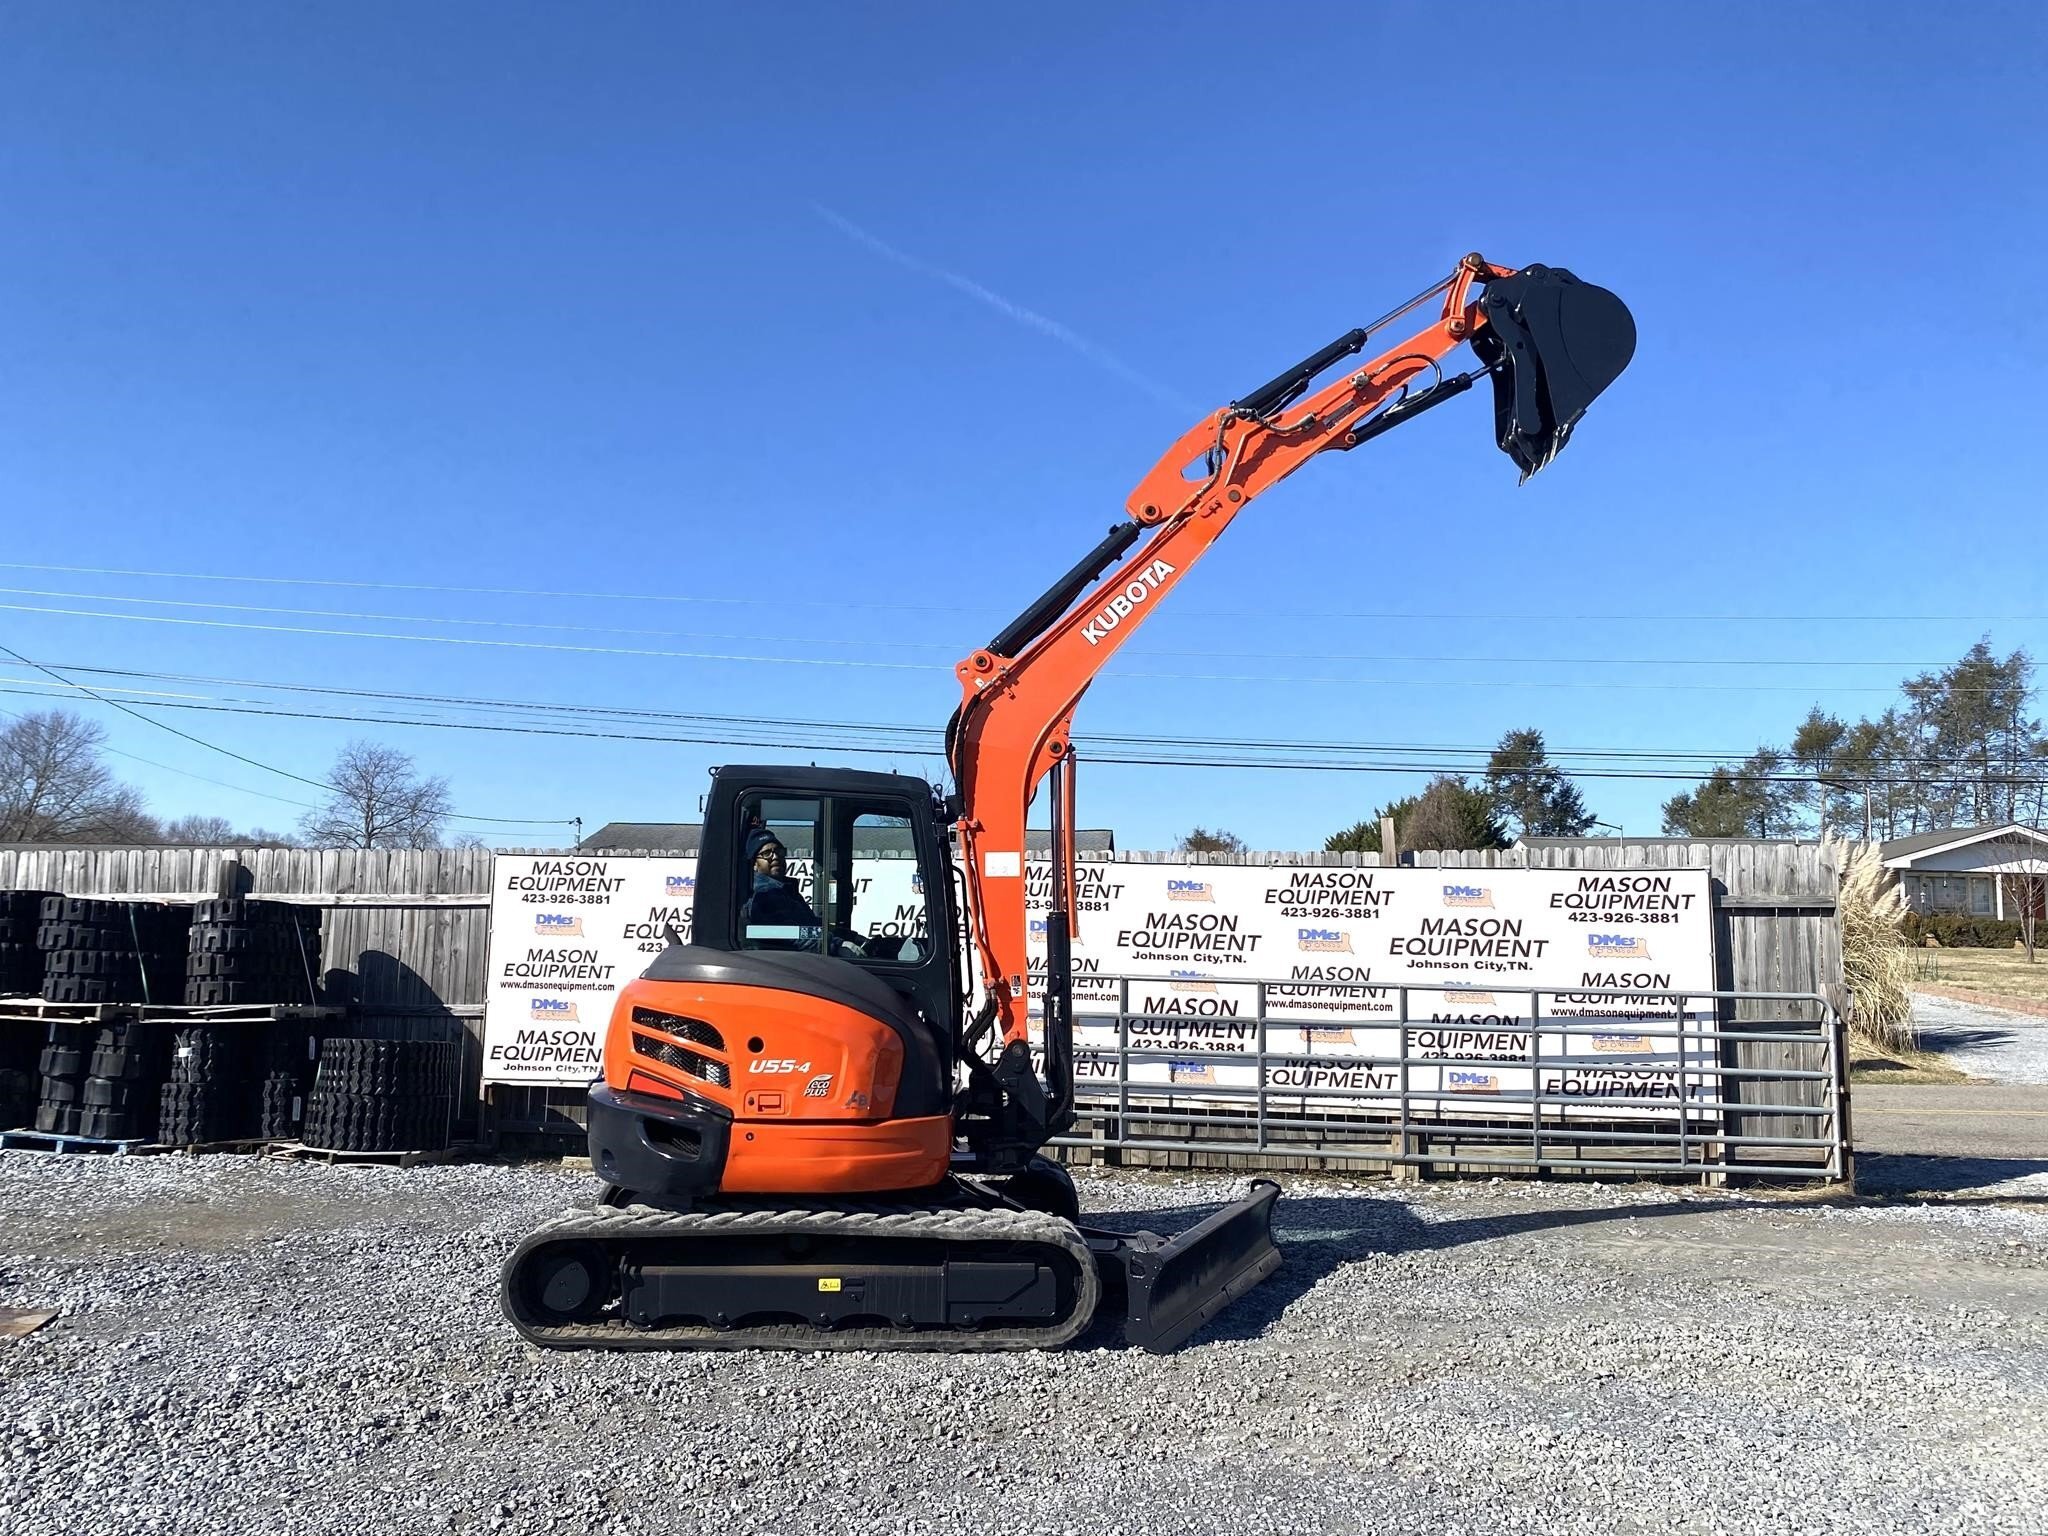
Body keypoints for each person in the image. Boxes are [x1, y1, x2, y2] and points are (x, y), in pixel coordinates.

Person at [740, 829, 822, 930]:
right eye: (766, 853)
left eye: (779, 851)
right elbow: (794, 935)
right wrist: (835, 944)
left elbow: (809, 922)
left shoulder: (787, 890)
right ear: (754, 864)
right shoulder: (765, 894)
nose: (776, 857)